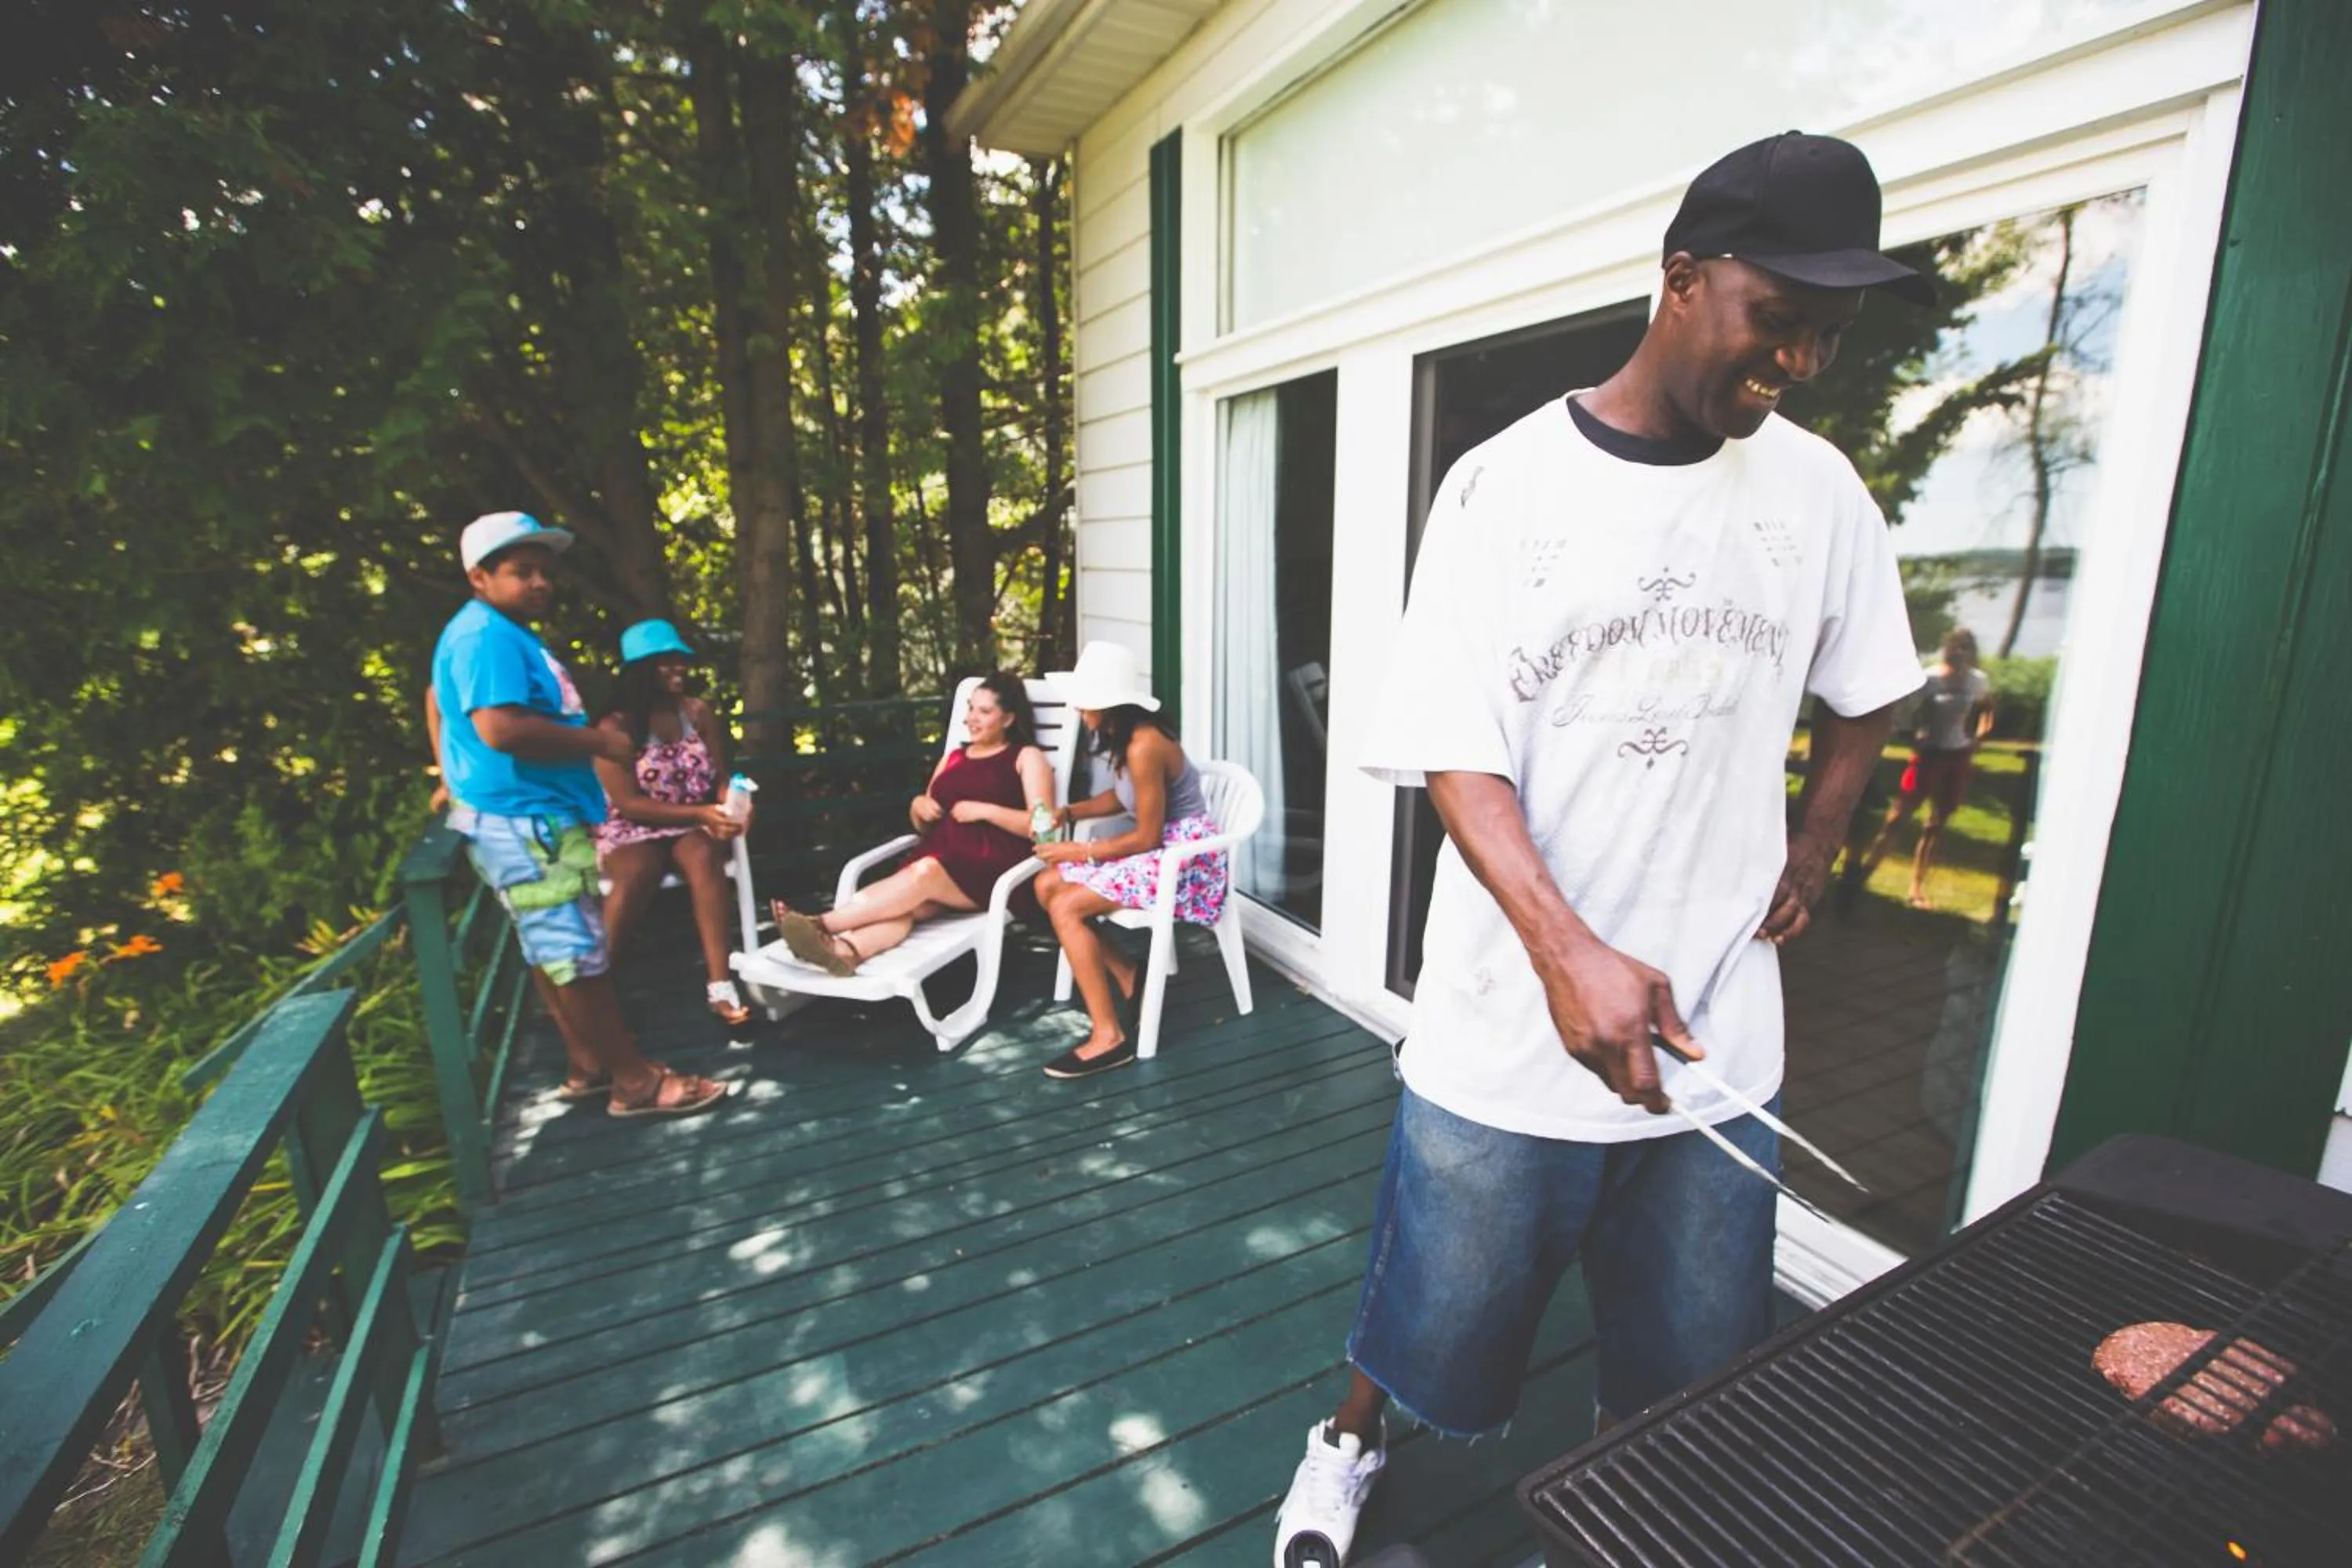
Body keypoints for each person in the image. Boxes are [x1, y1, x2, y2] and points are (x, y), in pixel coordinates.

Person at [1270, 132, 1929, 1567]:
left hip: (1718, 1048)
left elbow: (1872, 686)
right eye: (1778, 318)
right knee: (1429, 1303)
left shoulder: (1820, 492)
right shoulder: (1503, 486)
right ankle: (1346, 1446)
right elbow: (1455, 747)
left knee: (1684, 1362)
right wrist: (1568, 955)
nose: (1800, 362)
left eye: (1827, 334)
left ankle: (1625, 1511)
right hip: (1508, 1037)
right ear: (1682, 278)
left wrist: (1817, 840)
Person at [429, 511, 728, 1120]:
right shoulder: (485, 636)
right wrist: (601, 744)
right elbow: (500, 728)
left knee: (559, 951)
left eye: (545, 572)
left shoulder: (499, 632)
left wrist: (449, 772)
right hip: (524, 823)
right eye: (522, 572)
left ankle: (588, 1066)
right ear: (479, 576)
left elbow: (438, 699)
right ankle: (635, 1084)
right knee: (577, 955)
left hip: (529, 818)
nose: (540, 583)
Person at [1029, 641, 1226, 1081]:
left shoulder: (1144, 745)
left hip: (1185, 859)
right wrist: (1069, 812)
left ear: (1110, 703)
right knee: (1046, 885)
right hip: (1159, 849)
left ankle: (1109, 1038)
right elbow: (1123, 798)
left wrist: (1079, 850)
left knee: (1066, 905)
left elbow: (1147, 836)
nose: (1079, 710)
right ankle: (1129, 973)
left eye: (1086, 702)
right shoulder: (1124, 737)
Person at [771, 672, 1054, 975]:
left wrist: (987, 811)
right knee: (906, 906)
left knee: (924, 874)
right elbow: (925, 828)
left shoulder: (1025, 757)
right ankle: (846, 952)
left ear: (1008, 718)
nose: (971, 718)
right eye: (971, 708)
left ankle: (820, 924)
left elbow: (1045, 829)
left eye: (984, 711)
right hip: (943, 860)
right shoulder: (954, 758)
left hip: (994, 869)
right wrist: (918, 807)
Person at [592, 619, 753, 1025]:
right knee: (637, 870)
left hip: (691, 822)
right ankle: (593, 989)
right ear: (639, 671)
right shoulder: (613, 728)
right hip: (631, 826)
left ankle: (720, 985)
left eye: (680, 660)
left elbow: (719, 778)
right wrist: (700, 813)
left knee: (703, 856)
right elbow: (628, 804)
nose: (678, 668)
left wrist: (734, 805)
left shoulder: (696, 713)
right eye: (666, 662)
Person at [1859, 625, 1996, 909]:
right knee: (1897, 818)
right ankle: (1862, 874)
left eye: (1966, 647)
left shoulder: (1978, 681)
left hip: (1957, 756)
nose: (1960, 652)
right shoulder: (1930, 678)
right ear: (1948, 647)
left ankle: (1917, 887)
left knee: (1935, 825)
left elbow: (1987, 710)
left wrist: (1980, 736)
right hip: (1929, 756)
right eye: (1956, 645)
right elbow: (1905, 712)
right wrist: (1913, 736)